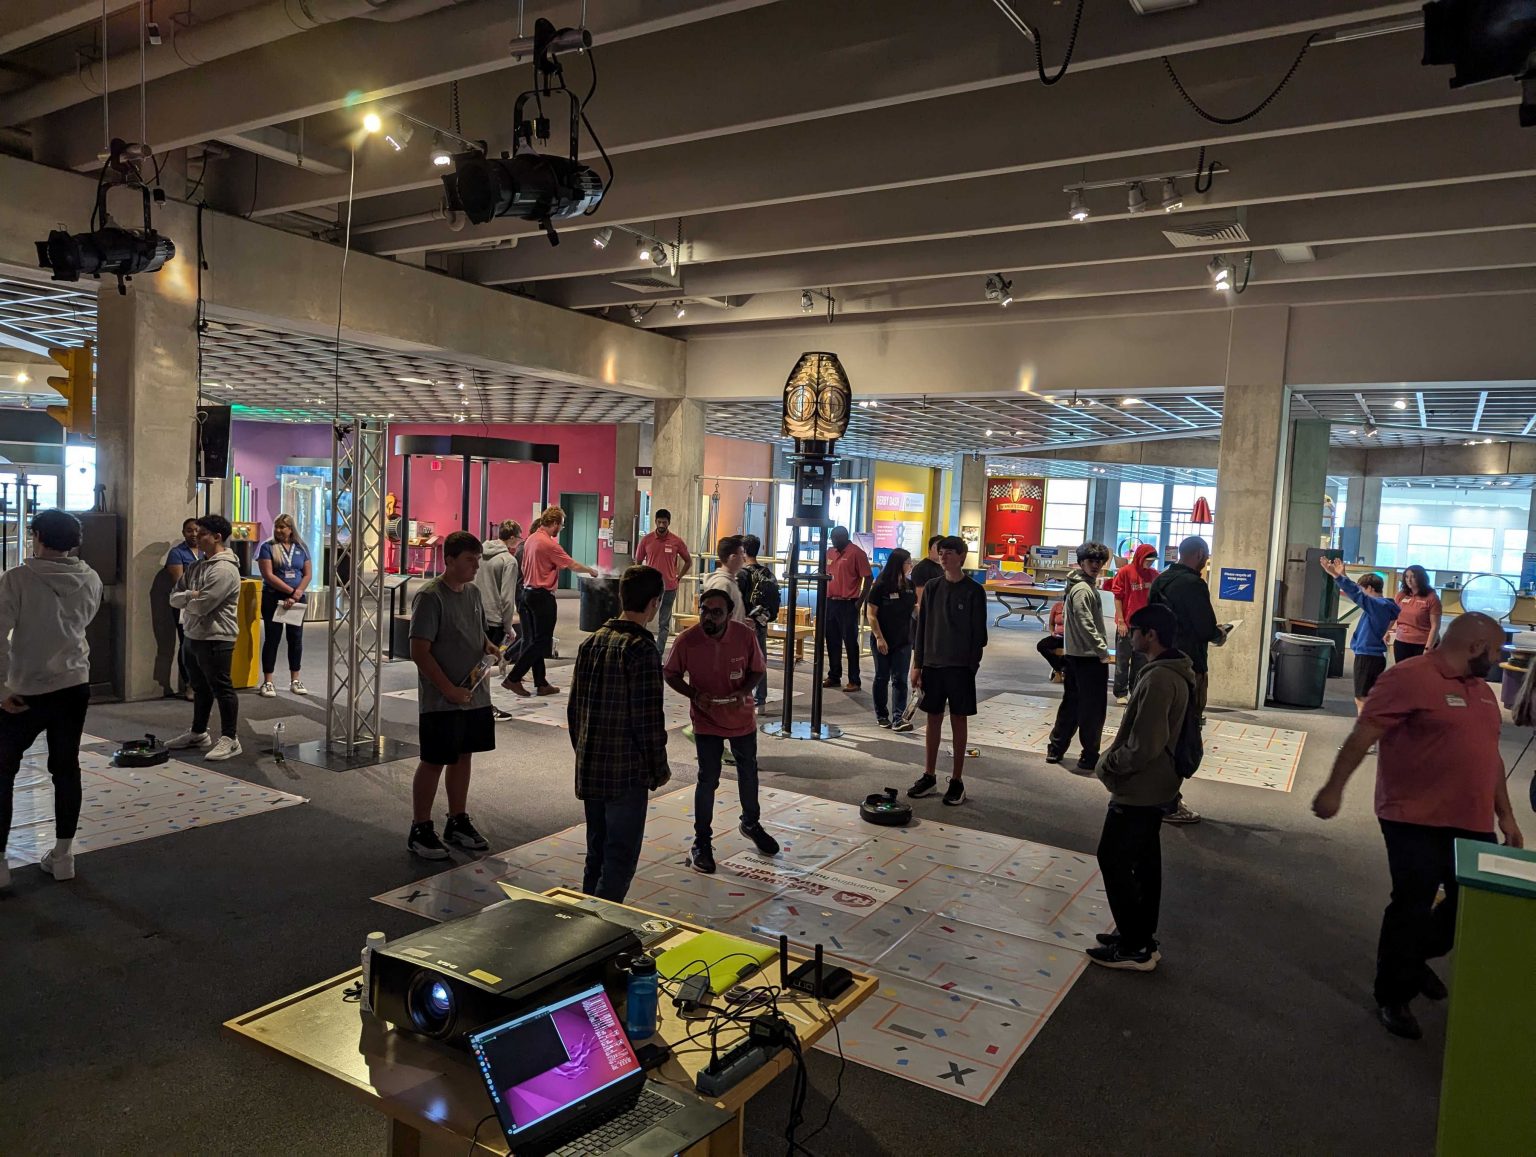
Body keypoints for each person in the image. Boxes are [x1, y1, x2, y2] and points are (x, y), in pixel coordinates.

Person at [1311, 613, 1524, 1041]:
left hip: (1471, 818)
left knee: (1470, 904)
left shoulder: (1481, 691)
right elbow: (1363, 735)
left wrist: (1506, 815)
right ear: (1476, 647)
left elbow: (1490, 758)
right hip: (1413, 817)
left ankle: (1413, 956)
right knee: (1411, 904)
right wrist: (1333, 788)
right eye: (1496, 651)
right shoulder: (1408, 678)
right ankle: (1393, 995)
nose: (1499, 660)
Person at [1088, 604, 1195, 971]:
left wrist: (1109, 765)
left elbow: (1144, 744)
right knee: (1144, 862)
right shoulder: (1172, 670)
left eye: (1135, 630)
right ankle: (1139, 935)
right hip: (1158, 783)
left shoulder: (1160, 679)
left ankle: (1135, 947)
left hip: (1142, 786)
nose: (1128, 635)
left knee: (1113, 857)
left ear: (1151, 635)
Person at [0, 510, 103, 888]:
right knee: (66, 767)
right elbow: (84, 621)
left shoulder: (17, 578)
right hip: (74, 684)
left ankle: (0, 866)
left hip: (24, 690)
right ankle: (63, 856)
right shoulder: (91, 578)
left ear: (38, 536)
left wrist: (1, 689)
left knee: (3, 772)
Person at [569, 565, 671, 901]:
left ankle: (583, 918)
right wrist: (657, 768)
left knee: (596, 852)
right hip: (626, 771)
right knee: (619, 858)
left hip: (591, 763)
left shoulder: (591, 642)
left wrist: (583, 751)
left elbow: (574, 710)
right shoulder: (642, 649)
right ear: (655, 602)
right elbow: (648, 720)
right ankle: (602, 921)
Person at [665, 588, 779, 875]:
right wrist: (694, 694)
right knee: (708, 778)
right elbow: (670, 673)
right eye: (704, 610)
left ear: (729, 615)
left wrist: (743, 691)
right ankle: (702, 841)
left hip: (741, 718)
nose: (708, 617)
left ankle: (751, 823)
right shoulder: (687, 640)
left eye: (716, 612)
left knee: (748, 770)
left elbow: (758, 669)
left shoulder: (744, 636)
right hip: (706, 720)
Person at [406, 531, 500, 860]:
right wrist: (448, 689)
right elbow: (419, 651)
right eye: (469, 560)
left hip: (474, 695)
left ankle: (457, 820)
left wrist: (488, 645)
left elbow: (477, 631)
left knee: (464, 755)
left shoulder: (472, 593)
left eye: (478, 560)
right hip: (441, 700)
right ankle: (420, 827)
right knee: (434, 760)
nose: (476, 566)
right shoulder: (430, 597)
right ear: (449, 560)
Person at [908, 536, 987, 807]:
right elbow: (922, 628)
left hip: (961, 667)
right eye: (941, 552)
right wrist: (917, 665)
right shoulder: (932, 587)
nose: (943, 556)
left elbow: (979, 636)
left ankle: (956, 780)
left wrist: (971, 666)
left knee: (958, 719)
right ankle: (929, 774)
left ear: (961, 556)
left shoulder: (974, 591)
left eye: (950, 552)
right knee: (933, 718)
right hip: (932, 665)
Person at [167, 514, 243, 761]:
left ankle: (230, 738)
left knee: (222, 688)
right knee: (199, 687)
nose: (196, 537)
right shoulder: (197, 566)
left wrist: (188, 599)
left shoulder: (224, 570)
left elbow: (203, 606)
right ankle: (198, 732)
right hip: (192, 634)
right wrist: (191, 594)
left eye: (202, 534)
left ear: (217, 537)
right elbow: (173, 597)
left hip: (216, 636)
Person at [505, 506, 599, 697]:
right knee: (542, 641)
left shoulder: (531, 540)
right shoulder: (548, 544)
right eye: (561, 525)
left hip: (527, 594)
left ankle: (541, 683)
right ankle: (513, 678)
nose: (561, 529)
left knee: (535, 640)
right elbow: (572, 564)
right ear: (555, 523)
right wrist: (591, 571)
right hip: (542, 596)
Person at [1047, 541, 1113, 773]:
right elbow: (1086, 623)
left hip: (1075, 656)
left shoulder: (1076, 585)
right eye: (1091, 561)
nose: (1095, 565)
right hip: (1088, 658)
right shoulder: (1083, 590)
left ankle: (1056, 748)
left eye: (1099, 561)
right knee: (1092, 710)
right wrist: (1102, 650)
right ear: (1082, 562)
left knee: (1072, 704)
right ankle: (1089, 756)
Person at [1320, 558, 1399, 712]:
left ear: (1369, 588)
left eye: (1363, 588)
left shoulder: (1377, 605)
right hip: (1372, 656)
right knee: (1368, 698)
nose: (1361, 591)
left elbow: (1356, 594)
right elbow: (1356, 591)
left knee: (1361, 699)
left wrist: (1336, 575)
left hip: (1367, 657)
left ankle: (1365, 726)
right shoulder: (1383, 605)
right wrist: (1343, 576)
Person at [255, 513, 312, 699]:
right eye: (277, 527)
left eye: (283, 527)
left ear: (290, 529)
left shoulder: (301, 547)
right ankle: (268, 681)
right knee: (272, 638)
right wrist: (290, 592)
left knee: (295, 639)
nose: (279, 530)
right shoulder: (267, 547)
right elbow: (268, 575)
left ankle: (295, 679)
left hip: (296, 599)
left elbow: (307, 574)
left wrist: (297, 593)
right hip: (274, 598)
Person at [475, 519, 522, 721]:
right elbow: (507, 597)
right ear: (511, 538)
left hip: (476, 615)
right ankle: (484, 706)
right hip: (494, 620)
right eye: (518, 538)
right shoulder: (508, 561)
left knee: (475, 664)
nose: (519, 542)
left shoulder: (480, 553)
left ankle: (473, 703)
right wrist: (508, 626)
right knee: (485, 666)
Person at [867, 548, 916, 730]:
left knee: (900, 679)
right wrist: (879, 638)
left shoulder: (909, 586)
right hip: (883, 638)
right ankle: (881, 715)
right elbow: (871, 614)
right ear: (899, 564)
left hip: (903, 640)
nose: (911, 566)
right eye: (908, 562)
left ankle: (898, 718)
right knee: (882, 677)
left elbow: (913, 609)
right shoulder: (881, 585)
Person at [634, 508, 693, 654]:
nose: (661, 525)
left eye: (664, 522)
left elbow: (688, 561)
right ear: (655, 521)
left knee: (664, 623)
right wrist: (641, 580)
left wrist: (679, 577)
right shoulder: (646, 540)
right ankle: (642, 649)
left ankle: (658, 653)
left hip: (669, 588)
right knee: (644, 619)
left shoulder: (676, 541)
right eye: (659, 522)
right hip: (651, 588)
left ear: (669, 523)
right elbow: (638, 562)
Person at [822, 525, 872, 692]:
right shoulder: (830, 552)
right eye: (832, 537)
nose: (833, 541)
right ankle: (834, 676)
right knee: (832, 640)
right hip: (831, 602)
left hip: (848, 603)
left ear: (844, 537)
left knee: (850, 642)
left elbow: (868, 578)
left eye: (835, 537)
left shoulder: (857, 553)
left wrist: (859, 602)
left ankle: (854, 680)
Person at [1108, 544, 1160, 704]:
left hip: (1144, 626)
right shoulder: (1125, 572)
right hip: (1127, 624)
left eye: (1152, 561)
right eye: (1148, 560)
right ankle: (1120, 693)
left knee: (1141, 661)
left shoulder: (1154, 574)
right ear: (1140, 557)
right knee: (1123, 660)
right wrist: (1121, 621)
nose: (1150, 564)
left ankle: (1136, 691)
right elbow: (1118, 597)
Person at [737, 535, 780, 710]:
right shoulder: (767, 573)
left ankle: (743, 695)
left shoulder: (742, 574)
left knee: (740, 660)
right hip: (761, 622)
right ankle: (760, 697)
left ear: (743, 551)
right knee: (760, 658)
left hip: (744, 623)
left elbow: (737, 600)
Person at [163, 518, 200, 700]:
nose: (194, 534)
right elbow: (179, 582)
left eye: (197, 530)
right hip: (184, 605)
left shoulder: (207, 552)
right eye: (189, 530)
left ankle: (203, 684)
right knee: (187, 644)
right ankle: (189, 684)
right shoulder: (177, 553)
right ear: (183, 533)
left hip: (205, 604)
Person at [1392, 564, 1442, 663]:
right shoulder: (1401, 595)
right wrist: (1385, 632)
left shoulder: (1432, 598)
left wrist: (1428, 648)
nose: (1409, 580)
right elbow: (1392, 616)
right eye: (1407, 577)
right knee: (1402, 671)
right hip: (1401, 642)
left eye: (1413, 577)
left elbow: (1435, 626)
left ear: (1421, 578)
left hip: (1422, 643)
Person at [701, 535, 748, 623]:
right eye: (742, 553)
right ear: (733, 557)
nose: (744, 558)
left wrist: (742, 623)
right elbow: (716, 618)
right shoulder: (722, 584)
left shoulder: (730, 581)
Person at [910, 535, 943, 614]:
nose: (939, 550)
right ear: (929, 549)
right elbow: (919, 596)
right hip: (928, 612)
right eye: (936, 547)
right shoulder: (921, 568)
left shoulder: (944, 567)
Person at [1036, 599, 1066, 683]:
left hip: (1071, 638)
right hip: (1057, 636)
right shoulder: (1057, 606)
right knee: (1041, 646)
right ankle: (1059, 669)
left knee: (1069, 651)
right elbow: (1051, 624)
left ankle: (1061, 671)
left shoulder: (1076, 609)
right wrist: (1052, 632)